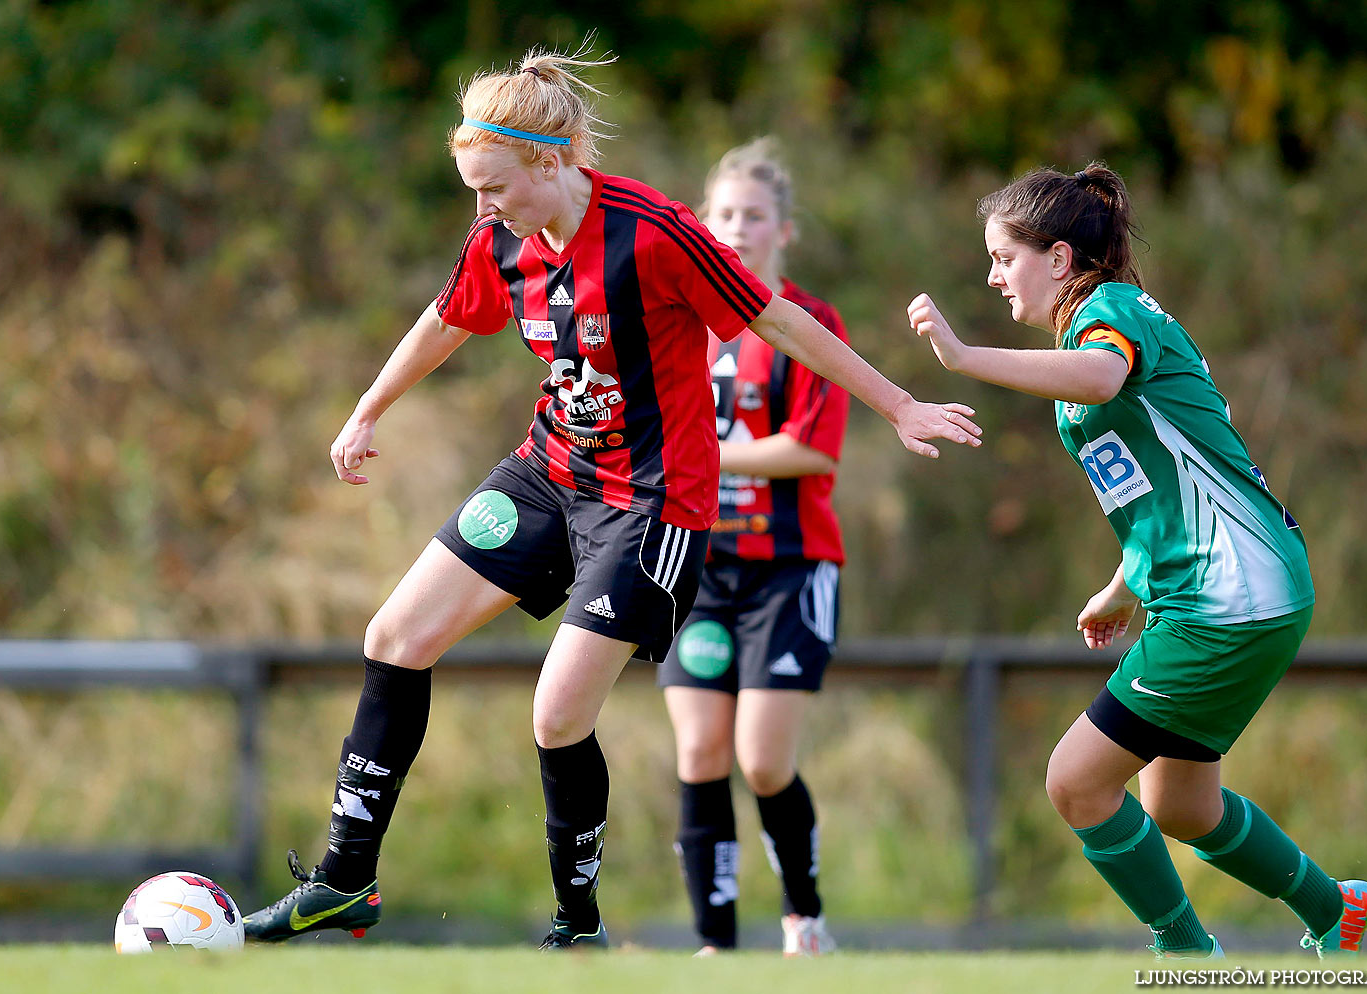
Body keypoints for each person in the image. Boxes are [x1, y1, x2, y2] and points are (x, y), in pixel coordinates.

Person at [240, 44, 982, 951]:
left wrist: (898, 404)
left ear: (552, 163)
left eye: (496, 187)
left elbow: (776, 319)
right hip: (549, 473)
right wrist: (367, 410)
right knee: (393, 637)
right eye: (473, 190)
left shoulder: (655, 231)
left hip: (653, 506)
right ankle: (344, 882)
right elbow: (444, 321)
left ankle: (576, 928)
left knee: (557, 714)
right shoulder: (501, 240)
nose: (484, 209)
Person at [906, 162, 1367, 959]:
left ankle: (1187, 953)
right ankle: (1337, 911)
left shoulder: (1110, 315)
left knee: (1076, 780)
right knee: (1183, 805)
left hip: (1231, 594)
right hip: (1225, 586)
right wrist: (1126, 582)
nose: (991, 276)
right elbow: (1166, 478)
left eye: (1003, 257)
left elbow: (1100, 377)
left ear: (1058, 259)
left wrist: (960, 356)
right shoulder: (1094, 325)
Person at [656, 139, 847, 957]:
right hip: (694, 567)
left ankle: (805, 917)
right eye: (724, 213)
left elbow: (813, 448)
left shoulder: (808, 324)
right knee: (700, 749)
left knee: (762, 761)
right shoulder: (678, 321)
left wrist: (702, 448)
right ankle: (716, 947)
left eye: (754, 216)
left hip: (789, 569)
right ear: (703, 221)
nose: (738, 228)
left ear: (784, 231)